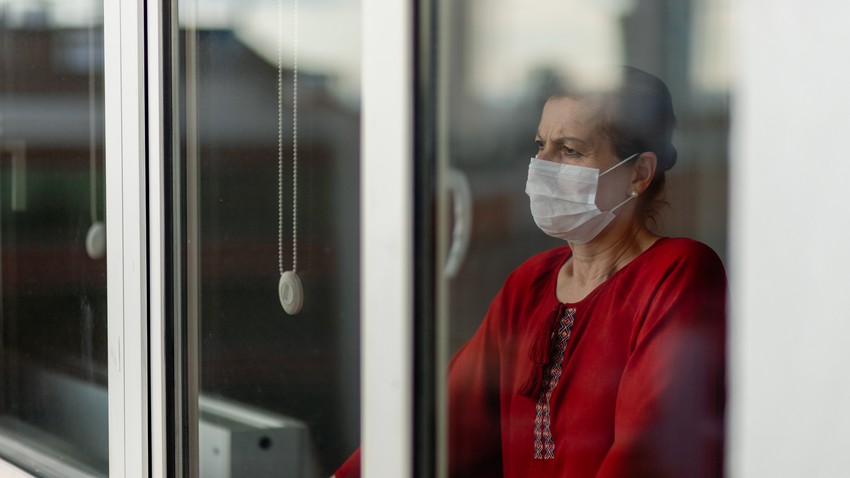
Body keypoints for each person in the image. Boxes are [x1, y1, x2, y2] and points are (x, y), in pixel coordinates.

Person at [334, 66, 726, 477]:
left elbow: (648, 454)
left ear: (639, 174)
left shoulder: (678, 272)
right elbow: (442, 422)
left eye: (570, 150)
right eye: (541, 144)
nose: (542, 164)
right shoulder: (531, 283)